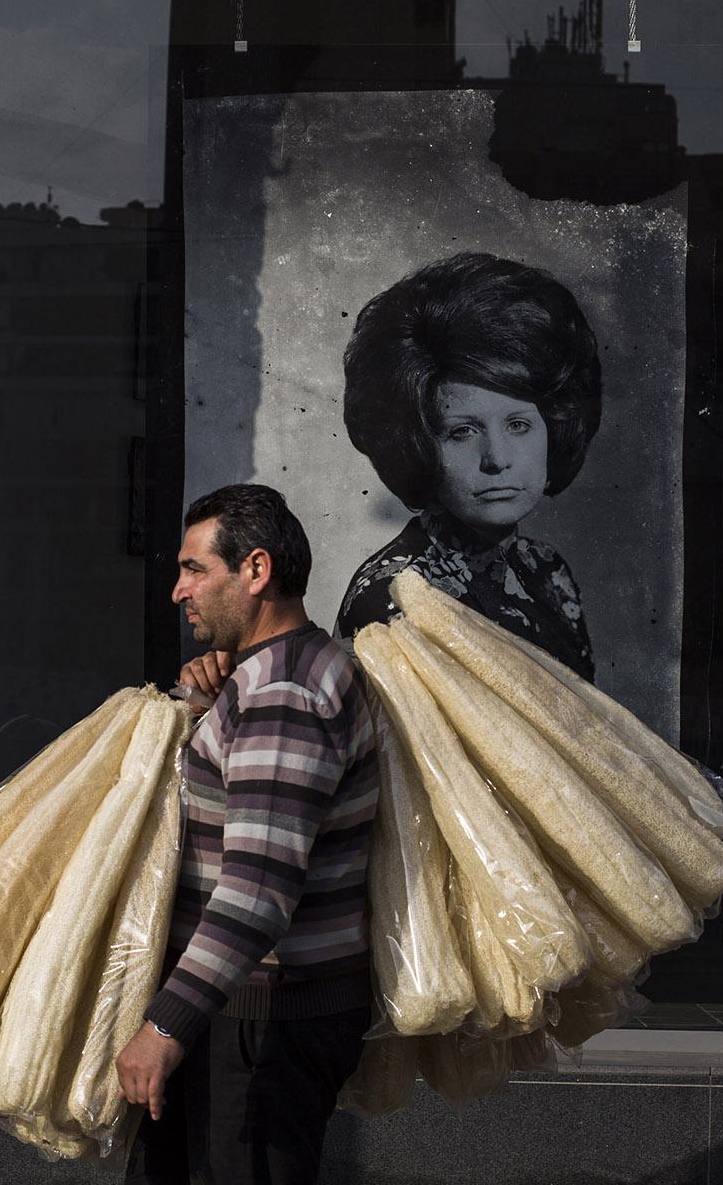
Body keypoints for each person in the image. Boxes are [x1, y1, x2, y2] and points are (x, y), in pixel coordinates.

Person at [118, 483, 378, 1185]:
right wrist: (210, 708)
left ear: (256, 571)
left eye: (195, 569)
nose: (178, 590)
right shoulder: (271, 677)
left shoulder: (285, 695)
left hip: (260, 1022)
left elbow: (259, 889)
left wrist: (165, 1026)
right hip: (248, 1013)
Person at [333, 252, 603, 678]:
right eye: (462, 432)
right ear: (417, 444)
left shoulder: (546, 570)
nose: (496, 459)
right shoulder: (394, 598)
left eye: (518, 425)